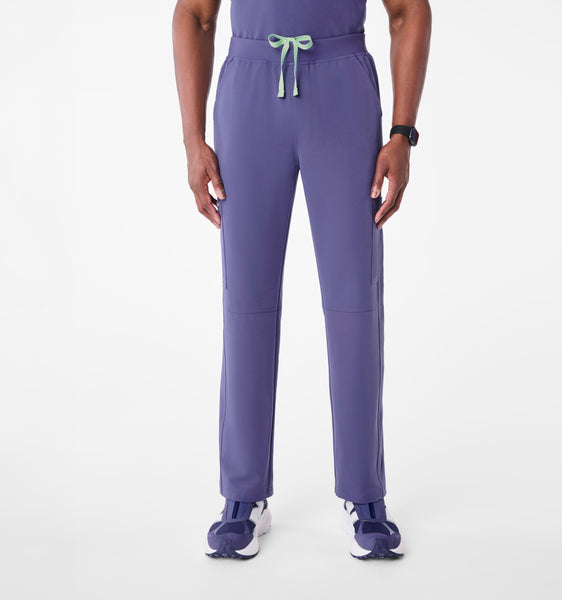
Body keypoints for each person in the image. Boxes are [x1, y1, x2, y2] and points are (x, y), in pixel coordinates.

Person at [172, 0, 431, 560]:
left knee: (354, 299)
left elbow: (409, 10)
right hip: (249, 90)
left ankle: (364, 494)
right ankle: (243, 496)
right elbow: (195, 13)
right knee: (246, 300)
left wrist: (402, 133)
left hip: (342, 91)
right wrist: (192, 139)